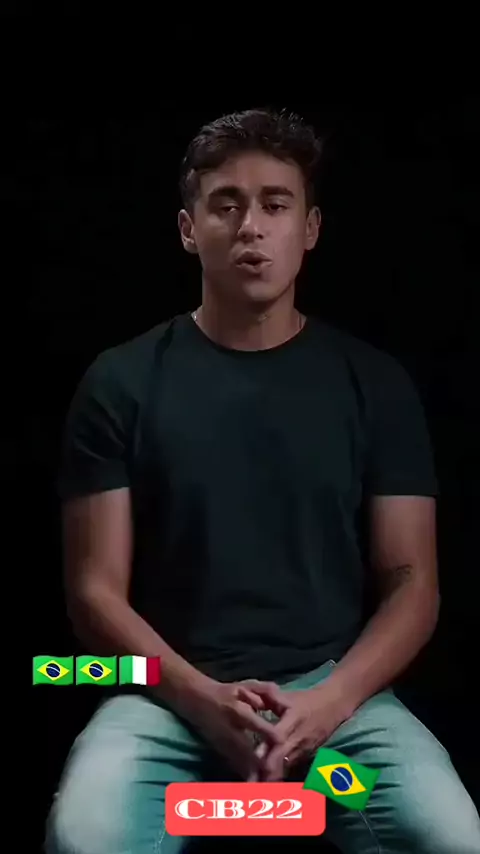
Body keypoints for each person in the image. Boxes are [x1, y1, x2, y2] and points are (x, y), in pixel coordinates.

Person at [46, 107, 480, 854]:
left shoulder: (373, 385)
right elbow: (93, 594)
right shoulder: (121, 383)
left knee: (440, 833)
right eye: (226, 205)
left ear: (309, 229)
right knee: (90, 835)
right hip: (168, 705)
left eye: (275, 205)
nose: (251, 226)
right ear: (189, 230)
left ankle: (318, 775)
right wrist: (200, 699)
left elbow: (414, 584)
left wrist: (328, 704)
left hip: (331, 720)